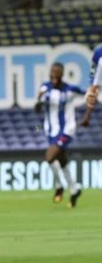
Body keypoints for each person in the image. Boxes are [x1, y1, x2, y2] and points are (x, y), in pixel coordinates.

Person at [34, 62, 87, 207]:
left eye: (57, 72)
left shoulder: (70, 89)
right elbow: (37, 109)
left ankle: (59, 186)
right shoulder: (45, 88)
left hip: (66, 130)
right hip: (50, 130)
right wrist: (38, 100)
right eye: (52, 71)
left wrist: (87, 116)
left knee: (50, 157)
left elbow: (88, 95)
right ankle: (75, 189)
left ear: (62, 73)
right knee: (61, 160)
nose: (54, 74)